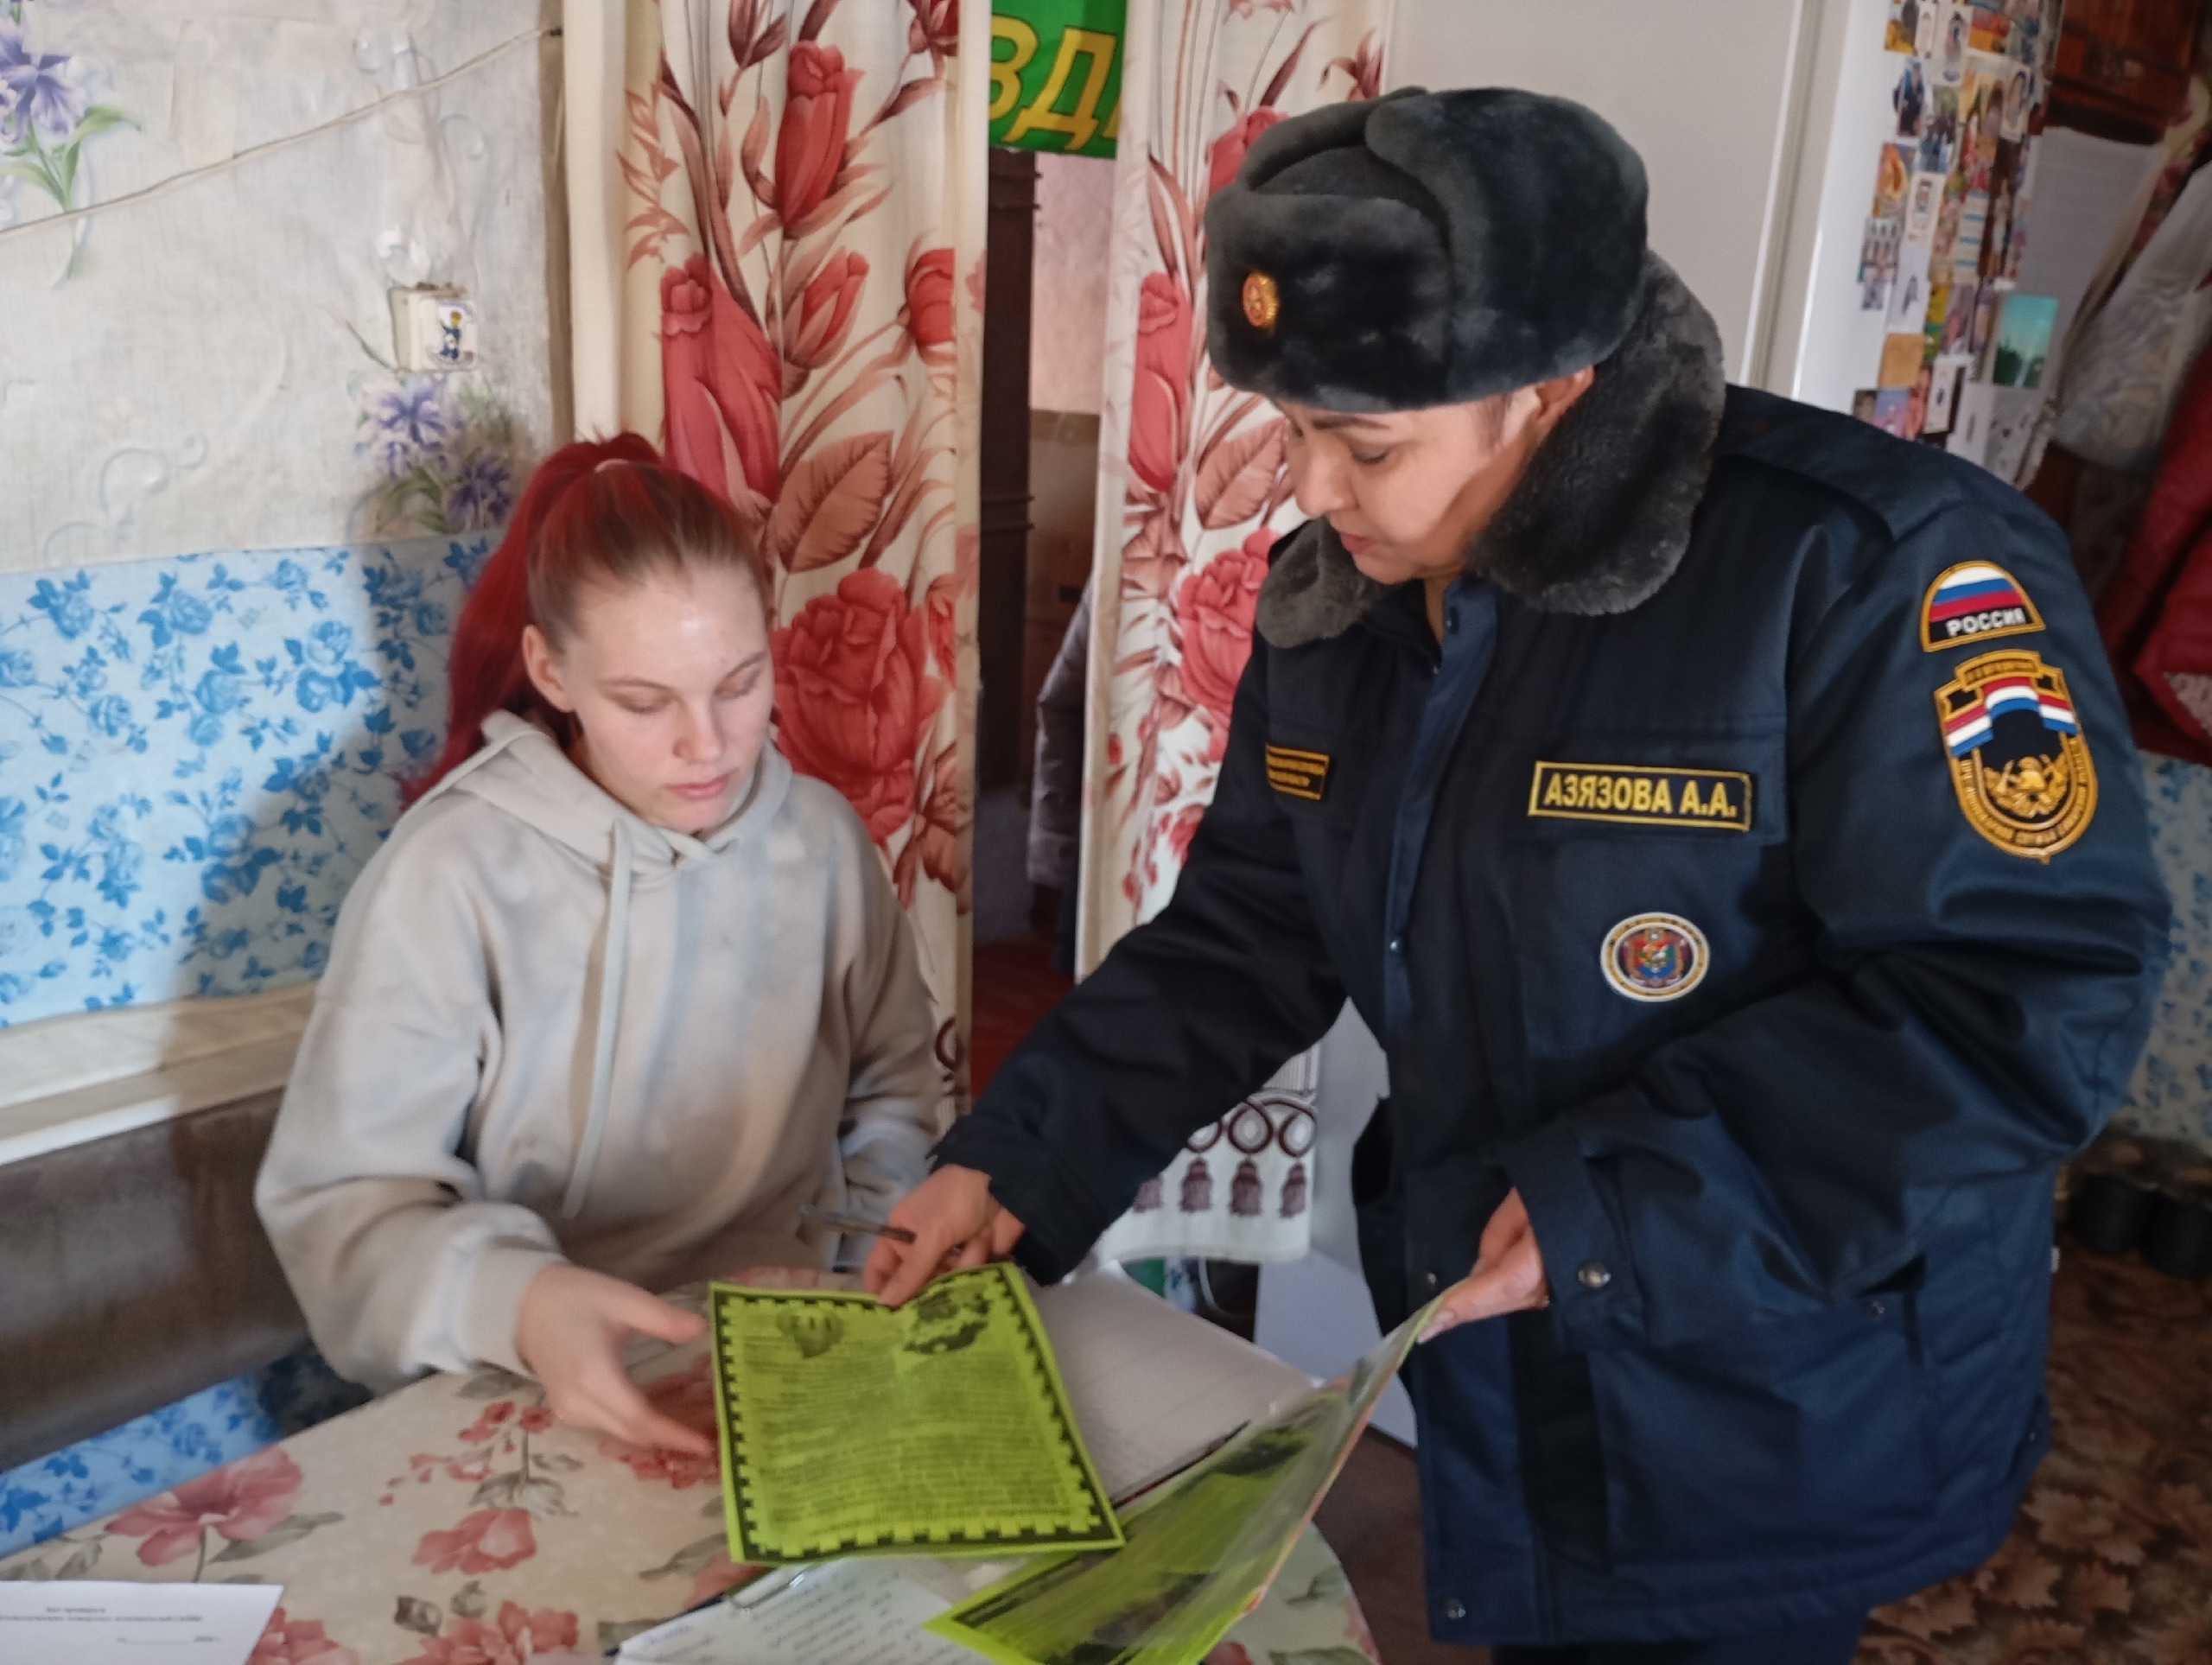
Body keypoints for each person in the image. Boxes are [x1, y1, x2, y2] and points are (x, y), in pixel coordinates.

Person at [867, 88, 2170, 1662]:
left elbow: (2024, 999)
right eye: (1290, 429)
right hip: (1512, 1333)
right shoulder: (1343, 604)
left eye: (1364, 443)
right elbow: (1246, 934)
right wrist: (1024, 1159)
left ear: (1550, 388)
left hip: (1769, 1376)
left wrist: (1618, 1200)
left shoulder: (1876, 567)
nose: (1310, 492)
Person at [257, 437, 944, 1453]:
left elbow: (895, 1088)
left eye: (739, 682)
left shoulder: (824, 841)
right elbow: (345, 1210)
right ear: (551, 671)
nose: (706, 744)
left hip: (801, 1347)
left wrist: (855, 1271)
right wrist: (520, 1301)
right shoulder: (449, 876)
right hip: (531, 1382)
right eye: (644, 702)